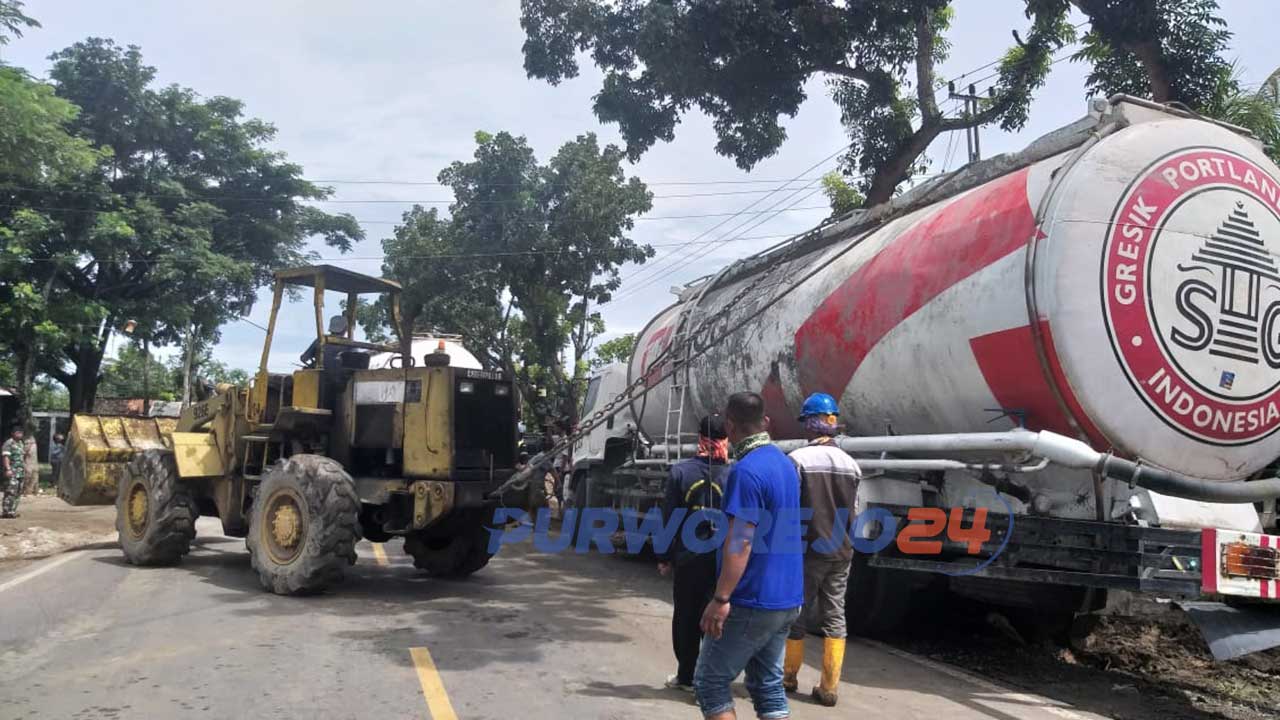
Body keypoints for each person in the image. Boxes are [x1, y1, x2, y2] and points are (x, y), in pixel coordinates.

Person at [695, 392, 803, 720]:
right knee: (767, 685)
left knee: (710, 683)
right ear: (765, 422)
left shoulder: (745, 471)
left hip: (751, 599)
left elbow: (740, 541)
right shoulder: (785, 464)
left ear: (729, 425)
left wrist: (721, 597)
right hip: (787, 599)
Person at [783, 392, 862, 707]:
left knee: (796, 612)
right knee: (835, 615)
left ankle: (788, 677)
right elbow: (854, 512)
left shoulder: (798, 460)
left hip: (806, 551)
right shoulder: (852, 465)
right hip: (841, 552)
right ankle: (829, 687)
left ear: (809, 425)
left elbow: (788, 510)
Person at [658, 415, 730, 694]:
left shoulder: (680, 472)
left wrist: (664, 557)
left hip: (688, 559)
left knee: (687, 618)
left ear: (699, 437)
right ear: (726, 439)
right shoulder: (734, 474)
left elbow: (669, 518)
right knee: (717, 620)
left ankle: (687, 677)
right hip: (723, 561)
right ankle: (713, 680)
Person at [2, 425, 27, 518]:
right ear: (13, 433)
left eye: (21, 433)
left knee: (18, 492)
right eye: (18, 432)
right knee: (10, 491)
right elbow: (6, 457)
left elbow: (22, 457)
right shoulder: (9, 443)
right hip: (12, 471)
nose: (20, 434)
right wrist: (8, 469)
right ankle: (6, 511)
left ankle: (12, 511)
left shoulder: (20, 443)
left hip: (20, 471)